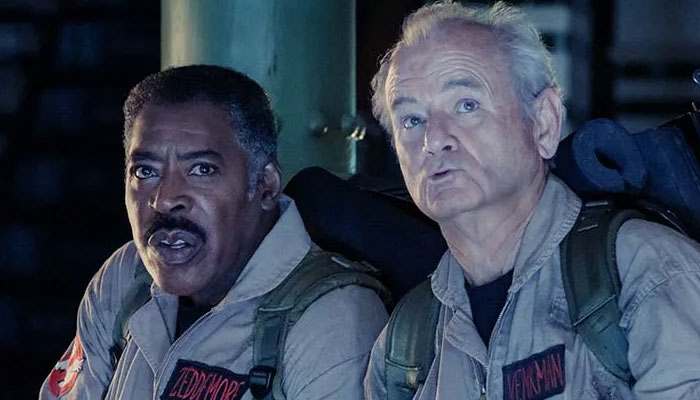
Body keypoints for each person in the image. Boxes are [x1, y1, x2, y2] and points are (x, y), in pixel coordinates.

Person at [365, 1, 700, 399]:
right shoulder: (404, 346)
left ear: (544, 123)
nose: (433, 140)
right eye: (411, 120)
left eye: (467, 105)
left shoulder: (647, 273)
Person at [39, 65, 388, 400]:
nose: (165, 199)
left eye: (202, 169)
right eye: (145, 171)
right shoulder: (125, 278)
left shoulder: (332, 319)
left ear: (265, 185)